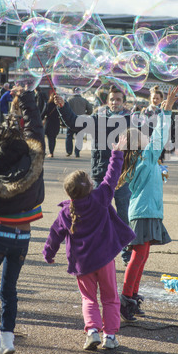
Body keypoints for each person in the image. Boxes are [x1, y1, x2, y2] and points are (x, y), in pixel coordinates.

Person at [43, 136, 135, 351]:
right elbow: (112, 177)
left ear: (69, 192)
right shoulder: (101, 197)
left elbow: (53, 235)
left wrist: (49, 253)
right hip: (104, 260)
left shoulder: (65, 212)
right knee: (111, 298)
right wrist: (117, 152)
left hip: (82, 265)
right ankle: (110, 336)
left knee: (89, 299)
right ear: (91, 185)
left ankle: (92, 331)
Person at [0, 86, 45, 354]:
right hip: (23, 237)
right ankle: (6, 338)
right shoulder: (33, 158)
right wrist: (28, 97)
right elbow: (36, 128)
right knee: (9, 289)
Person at [117, 85, 178, 321]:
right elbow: (160, 136)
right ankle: (126, 298)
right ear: (138, 145)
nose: (148, 137)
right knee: (137, 257)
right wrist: (167, 112)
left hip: (148, 211)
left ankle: (132, 296)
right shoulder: (145, 158)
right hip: (144, 213)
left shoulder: (142, 160)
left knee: (142, 257)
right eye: (144, 137)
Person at [54, 84, 133, 265]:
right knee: (97, 216)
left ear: (124, 102)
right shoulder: (98, 118)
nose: (114, 103)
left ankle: (126, 255)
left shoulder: (130, 120)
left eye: (118, 99)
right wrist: (63, 107)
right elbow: (74, 122)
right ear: (107, 101)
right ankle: (100, 252)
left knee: (123, 216)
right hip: (100, 175)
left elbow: (148, 135)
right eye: (112, 99)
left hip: (122, 176)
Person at [65, 89, 93, 157]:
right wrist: (85, 114)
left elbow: (66, 110)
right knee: (79, 137)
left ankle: (69, 151)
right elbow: (90, 109)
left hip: (71, 120)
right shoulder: (84, 100)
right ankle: (77, 152)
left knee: (69, 136)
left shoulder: (69, 100)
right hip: (81, 120)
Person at [42, 91, 61, 158]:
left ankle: (50, 152)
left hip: (49, 123)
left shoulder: (48, 104)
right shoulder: (59, 105)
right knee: (53, 138)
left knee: (49, 138)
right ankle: (51, 152)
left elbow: (43, 113)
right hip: (56, 122)